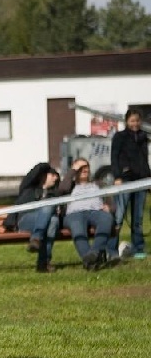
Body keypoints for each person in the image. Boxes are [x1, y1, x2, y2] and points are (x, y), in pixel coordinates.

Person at [58, 158, 115, 270]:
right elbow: (62, 189)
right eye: (81, 168)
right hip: (74, 214)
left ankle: (93, 254)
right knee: (77, 228)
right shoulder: (69, 185)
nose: (84, 170)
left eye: (86, 167)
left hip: (96, 211)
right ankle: (90, 262)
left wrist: (110, 207)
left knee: (107, 218)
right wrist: (73, 170)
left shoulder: (98, 184)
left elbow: (111, 202)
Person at [3, 163, 61, 273]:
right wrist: (48, 166)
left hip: (45, 222)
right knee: (48, 206)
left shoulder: (54, 194)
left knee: (53, 221)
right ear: (43, 175)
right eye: (53, 175)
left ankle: (41, 259)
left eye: (57, 176)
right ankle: (43, 257)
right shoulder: (28, 187)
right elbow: (37, 169)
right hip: (25, 219)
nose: (56, 178)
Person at [110, 108, 149, 260]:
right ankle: (112, 248)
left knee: (137, 218)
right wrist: (117, 176)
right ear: (126, 121)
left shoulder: (143, 137)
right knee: (119, 216)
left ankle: (138, 246)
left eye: (137, 121)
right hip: (125, 180)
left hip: (141, 180)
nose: (135, 124)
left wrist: (148, 177)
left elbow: (145, 159)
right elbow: (114, 158)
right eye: (132, 121)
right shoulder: (119, 137)